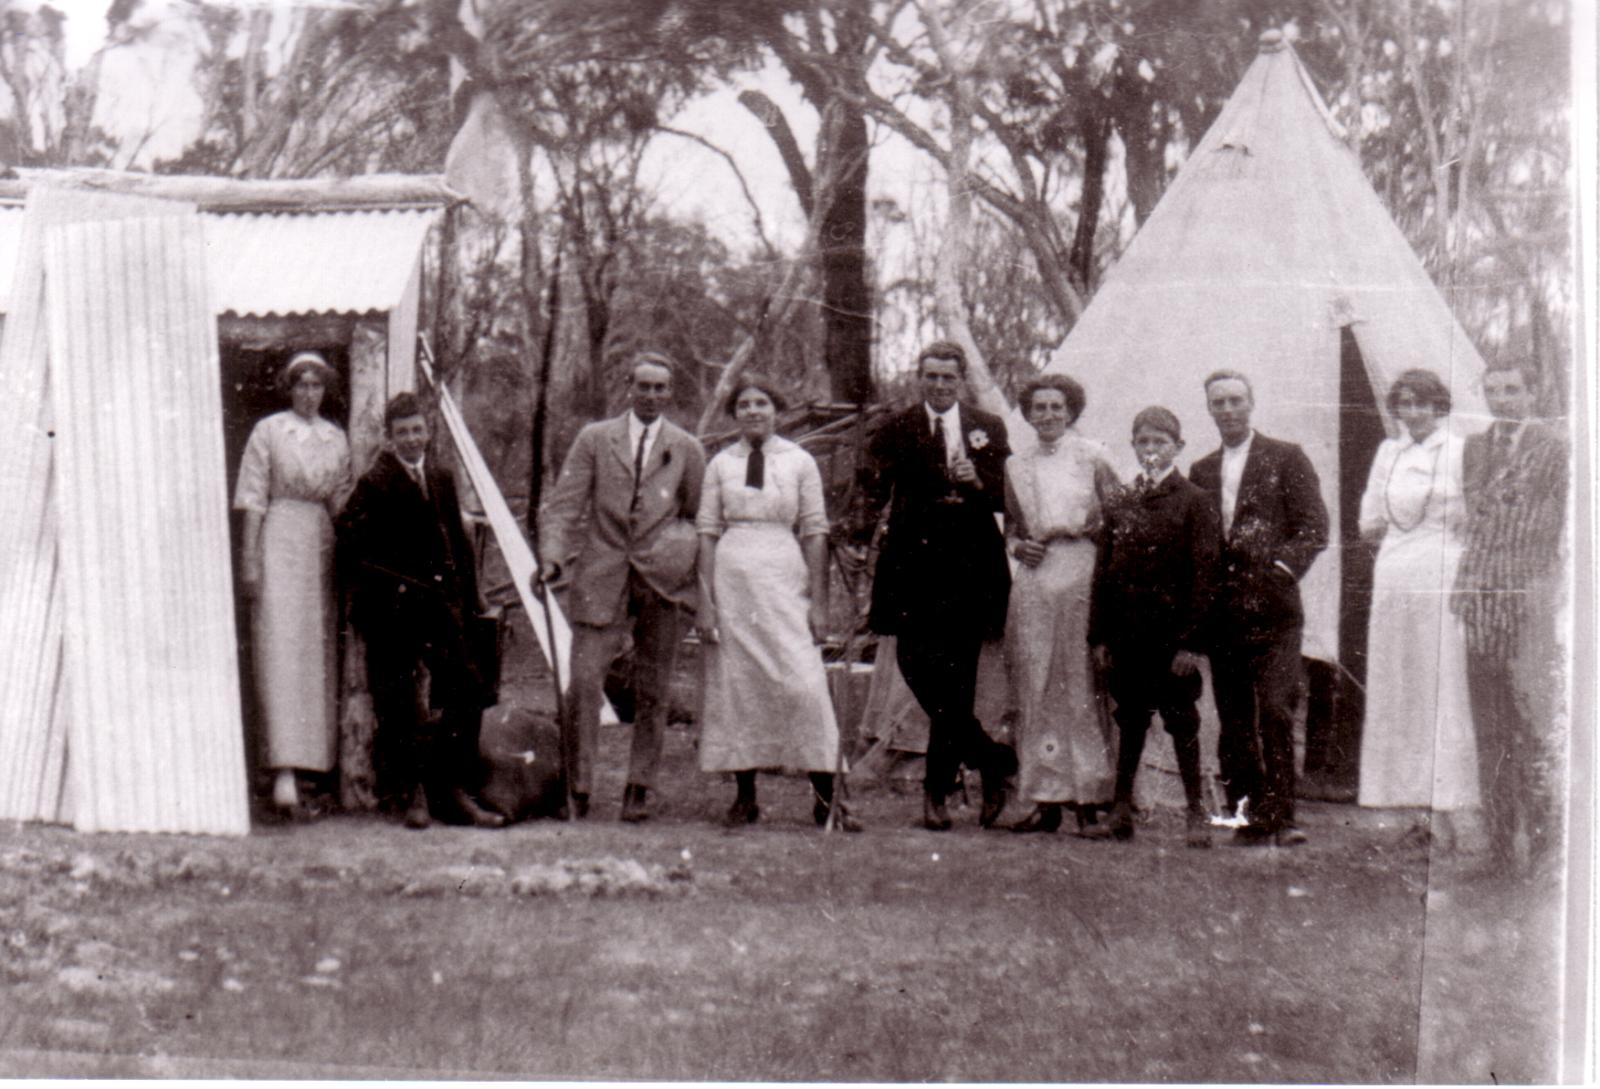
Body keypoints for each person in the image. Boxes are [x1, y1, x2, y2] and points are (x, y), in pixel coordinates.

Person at [850, 340, 1017, 831]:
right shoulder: (897, 427)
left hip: (970, 569)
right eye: (931, 376)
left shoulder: (988, 427)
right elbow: (871, 488)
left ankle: (935, 794)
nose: (939, 385)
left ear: (960, 380)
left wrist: (977, 481)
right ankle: (990, 758)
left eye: (948, 377)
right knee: (915, 664)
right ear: (918, 378)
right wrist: (860, 537)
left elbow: (1008, 496)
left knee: (959, 683)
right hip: (913, 567)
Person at [536, 353, 706, 822]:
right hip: (601, 574)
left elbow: (698, 516)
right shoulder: (595, 439)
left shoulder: (687, 448)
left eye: (661, 388)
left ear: (670, 393)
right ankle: (579, 786)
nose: (651, 396)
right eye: (644, 386)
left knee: (654, 689)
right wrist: (552, 556)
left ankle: (638, 787)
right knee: (585, 681)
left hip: (663, 582)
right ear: (628, 388)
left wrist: (678, 551)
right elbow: (564, 506)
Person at [695, 376, 860, 831]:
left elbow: (814, 530)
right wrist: (705, 602)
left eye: (762, 403)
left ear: (778, 411)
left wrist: (820, 604)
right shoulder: (720, 464)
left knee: (802, 682)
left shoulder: (800, 461)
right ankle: (745, 796)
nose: (753, 411)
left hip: (785, 575)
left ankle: (827, 798)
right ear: (734, 414)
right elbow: (707, 531)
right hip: (732, 580)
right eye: (744, 404)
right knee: (738, 686)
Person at [336, 393, 502, 830]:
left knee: (466, 688)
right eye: (402, 432)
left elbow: (458, 545)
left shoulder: (442, 476)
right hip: (394, 612)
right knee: (398, 701)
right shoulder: (375, 483)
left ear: (428, 432)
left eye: (418, 430)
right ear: (389, 439)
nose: (412, 439)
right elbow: (350, 545)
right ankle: (412, 793)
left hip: (440, 607)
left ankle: (453, 790)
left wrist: (473, 599)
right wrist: (391, 583)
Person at [1189, 370, 1328, 846]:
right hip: (1224, 613)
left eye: (1235, 400)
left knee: (1274, 709)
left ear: (1252, 403)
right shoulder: (1201, 470)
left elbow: (1314, 527)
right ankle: (1247, 815)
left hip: (1275, 611)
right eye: (1218, 403)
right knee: (1234, 719)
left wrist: (1281, 572)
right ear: (1208, 409)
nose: (1228, 410)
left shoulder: (1286, 457)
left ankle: (1283, 816)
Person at [1452, 361, 1568, 877]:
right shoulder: (1475, 447)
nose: (1502, 399)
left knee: (1533, 724)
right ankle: (1500, 848)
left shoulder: (1556, 447)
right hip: (1480, 599)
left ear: (1532, 391)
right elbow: (1475, 523)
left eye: (1513, 390)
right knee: (1490, 727)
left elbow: (1564, 524)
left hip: (1530, 599)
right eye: (1493, 391)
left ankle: (1544, 847)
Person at [1089, 406, 1219, 847]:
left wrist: (1192, 642)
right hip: (1128, 636)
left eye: (1159, 442)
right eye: (1143, 442)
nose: (1150, 450)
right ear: (1133, 447)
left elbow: (1205, 576)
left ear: (1177, 448)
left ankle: (1195, 813)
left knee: (1182, 721)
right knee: (1130, 719)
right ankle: (1121, 808)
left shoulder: (1195, 501)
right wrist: (1100, 635)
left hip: (1173, 639)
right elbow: (1103, 572)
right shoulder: (1121, 501)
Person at [1356, 370, 1479, 838]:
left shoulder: (1459, 449)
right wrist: (1391, 531)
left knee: (1439, 682)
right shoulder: (1390, 451)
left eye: (1423, 404)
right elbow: (1370, 520)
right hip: (1393, 574)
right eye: (1405, 404)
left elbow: (1469, 514)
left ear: (1440, 406)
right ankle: (1412, 809)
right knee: (1399, 682)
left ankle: (1451, 806)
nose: (1414, 413)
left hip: (1440, 570)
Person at [233, 351, 352, 819]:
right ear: (289, 387)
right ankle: (280, 769)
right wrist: (249, 559)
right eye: (301, 384)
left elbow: (343, 498)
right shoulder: (269, 431)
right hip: (277, 538)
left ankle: (311, 768)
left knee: (312, 651)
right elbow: (252, 497)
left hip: (318, 544)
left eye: (317, 385)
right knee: (278, 648)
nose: (309, 392)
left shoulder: (335, 437)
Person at [1001, 375, 1120, 836]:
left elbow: (1121, 516)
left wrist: (1096, 532)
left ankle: (1090, 796)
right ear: (1028, 414)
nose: (1047, 415)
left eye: (1056, 407)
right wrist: (1018, 548)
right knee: (1037, 680)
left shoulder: (1094, 457)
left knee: (1080, 679)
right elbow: (1012, 525)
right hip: (1036, 577)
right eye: (1038, 408)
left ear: (1071, 411)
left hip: (1082, 573)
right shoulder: (1017, 464)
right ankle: (1044, 798)